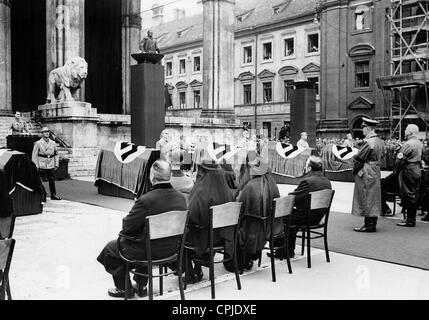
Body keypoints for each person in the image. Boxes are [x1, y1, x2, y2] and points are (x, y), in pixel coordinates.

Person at [97, 160, 187, 298]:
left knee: (111, 249)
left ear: (152, 176)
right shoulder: (181, 199)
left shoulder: (146, 200)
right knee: (146, 238)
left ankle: (125, 288)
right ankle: (141, 285)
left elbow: (127, 228)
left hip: (149, 251)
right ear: (169, 176)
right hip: (172, 249)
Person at [270, 156, 332, 259]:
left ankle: (283, 250)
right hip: (318, 217)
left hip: (307, 217)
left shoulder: (308, 181)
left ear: (309, 168)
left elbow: (294, 198)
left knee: (282, 216)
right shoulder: (327, 181)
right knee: (291, 216)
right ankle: (287, 250)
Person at [229, 151, 280, 271]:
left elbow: (238, 210)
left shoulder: (250, 187)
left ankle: (239, 260)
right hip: (268, 227)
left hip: (251, 231)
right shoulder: (272, 183)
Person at [186, 161, 234, 283]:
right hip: (222, 237)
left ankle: (190, 272)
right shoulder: (226, 190)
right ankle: (197, 269)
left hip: (205, 238)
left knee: (181, 235)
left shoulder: (201, 191)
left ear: (203, 171)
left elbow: (191, 216)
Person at [352, 118, 385, 232]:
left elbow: (359, 158)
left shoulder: (368, 142)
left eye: (363, 128)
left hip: (367, 169)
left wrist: (355, 170)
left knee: (366, 195)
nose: (362, 130)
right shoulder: (379, 141)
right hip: (376, 169)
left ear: (368, 128)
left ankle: (368, 224)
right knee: (374, 196)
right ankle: (373, 222)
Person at [395, 124, 423, 227]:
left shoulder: (407, 144)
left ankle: (410, 220)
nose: (404, 131)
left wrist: (396, 172)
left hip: (408, 169)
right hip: (417, 169)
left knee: (408, 194)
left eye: (406, 130)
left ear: (410, 132)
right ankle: (411, 218)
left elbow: (399, 160)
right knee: (414, 194)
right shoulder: (419, 143)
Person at [32, 127, 61, 201]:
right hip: (41, 163)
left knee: (51, 180)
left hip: (50, 163)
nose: (47, 133)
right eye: (45, 132)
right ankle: (42, 195)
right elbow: (34, 155)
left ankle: (53, 194)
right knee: (40, 180)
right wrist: (36, 165)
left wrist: (56, 164)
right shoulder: (38, 143)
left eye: (48, 131)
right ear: (42, 133)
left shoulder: (53, 143)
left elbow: (56, 154)